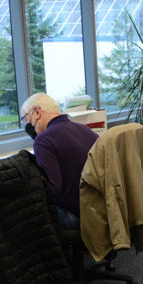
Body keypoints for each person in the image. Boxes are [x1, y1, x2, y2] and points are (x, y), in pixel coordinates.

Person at [19, 92, 98, 230]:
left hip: (78, 217)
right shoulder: (86, 130)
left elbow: (52, 190)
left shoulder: (44, 140)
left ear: (37, 112)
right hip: (100, 211)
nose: (29, 124)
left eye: (27, 119)